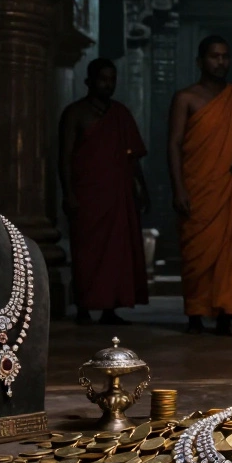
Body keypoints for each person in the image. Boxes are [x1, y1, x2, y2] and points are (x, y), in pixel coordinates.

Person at [168, 36, 232, 335]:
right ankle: (195, 316)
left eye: (225, 56)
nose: (220, 62)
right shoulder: (186, 98)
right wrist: (178, 189)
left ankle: (226, 316)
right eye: (214, 56)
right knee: (197, 254)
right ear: (200, 61)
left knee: (231, 255)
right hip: (199, 188)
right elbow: (173, 144)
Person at [58, 58, 150, 325]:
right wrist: (68, 193)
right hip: (87, 194)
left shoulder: (120, 114)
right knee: (86, 252)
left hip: (117, 195)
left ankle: (111, 308)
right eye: (102, 79)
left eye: (112, 79)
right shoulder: (75, 113)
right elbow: (64, 157)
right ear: (89, 81)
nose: (108, 84)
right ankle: (84, 307)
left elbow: (132, 157)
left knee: (116, 253)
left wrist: (141, 188)